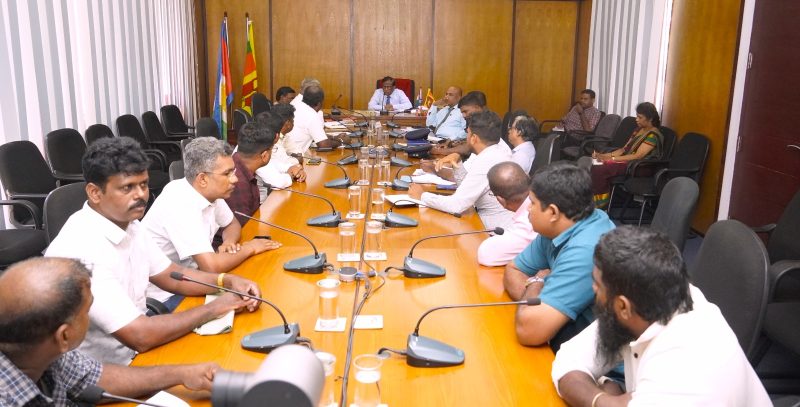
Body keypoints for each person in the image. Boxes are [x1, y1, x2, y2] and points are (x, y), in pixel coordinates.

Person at [45, 137, 262, 365]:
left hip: (136, 352)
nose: (140, 195)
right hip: (102, 372)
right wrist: (215, 308)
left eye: (143, 185)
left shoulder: (131, 224)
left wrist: (226, 281)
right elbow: (140, 336)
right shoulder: (82, 249)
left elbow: (171, 275)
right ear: (95, 193)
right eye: (127, 187)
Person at [552, 226, 771, 406]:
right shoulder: (651, 300)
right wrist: (602, 401)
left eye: (597, 285)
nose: (593, 289)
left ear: (623, 306)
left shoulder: (684, 372)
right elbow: (569, 359)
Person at [0, 257, 220, 406]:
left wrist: (182, 374)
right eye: (87, 310)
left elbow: (95, 378)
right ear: (64, 336)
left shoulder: (42, 349)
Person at [503, 161, 615, 351]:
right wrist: (537, 295)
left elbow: (529, 331)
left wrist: (537, 282)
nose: (528, 209)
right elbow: (513, 270)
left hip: (601, 359)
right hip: (566, 337)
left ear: (553, 212)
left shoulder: (587, 250)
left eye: (532, 203)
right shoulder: (562, 224)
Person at [143, 137, 280, 283]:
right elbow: (211, 267)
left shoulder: (208, 191)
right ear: (203, 179)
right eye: (227, 174)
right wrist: (250, 247)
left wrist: (228, 242)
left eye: (233, 171)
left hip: (194, 275)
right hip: (169, 290)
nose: (235, 179)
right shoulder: (179, 203)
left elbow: (232, 224)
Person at [408, 111, 514, 230]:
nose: (466, 138)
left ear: (474, 138)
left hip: (493, 230)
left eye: (467, 133)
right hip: (485, 220)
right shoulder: (496, 152)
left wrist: (422, 195)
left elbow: (456, 205)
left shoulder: (487, 160)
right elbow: (466, 189)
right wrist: (457, 163)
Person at [590, 102, 663, 207]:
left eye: (640, 117)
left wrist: (611, 159)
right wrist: (603, 155)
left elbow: (637, 156)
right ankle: (593, 200)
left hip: (639, 166)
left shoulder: (653, 135)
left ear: (650, 119)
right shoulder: (638, 130)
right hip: (627, 162)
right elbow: (623, 150)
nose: (636, 119)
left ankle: (601, 205)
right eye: (637, 116)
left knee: (600, 169)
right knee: (596, 165)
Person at [477, 162, 537, 266]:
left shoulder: (529, 219)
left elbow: (486, 255)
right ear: (528, 177)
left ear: (500, 200)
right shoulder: (543, 197)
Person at [225, 121, 277, 225]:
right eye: (273, 149)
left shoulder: (237, 164)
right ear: (264, 155)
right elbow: (244, 227)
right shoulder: (237, 183)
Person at [255, 107, 306, 192]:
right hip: (262, 199)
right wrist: (291, 173)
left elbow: (275, 164)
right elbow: (279, 182)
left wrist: (292, 168)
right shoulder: (256, 151)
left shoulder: (260, 144)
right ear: (277, 135)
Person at [284, 85, 344, 155]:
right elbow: (324, 145)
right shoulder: (312, 115)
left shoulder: (297, 106)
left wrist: (334, 137)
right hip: (293, 156)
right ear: (319, 103)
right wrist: (341, 141)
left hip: (285, 152)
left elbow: (315, 135)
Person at [431, 90, 487, 157]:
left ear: (477, 107)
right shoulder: (473, 120)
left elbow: (468, 148)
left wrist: (439, 151)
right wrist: (455, 143)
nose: (463, 115)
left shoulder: (486, 122)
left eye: (465, 111)